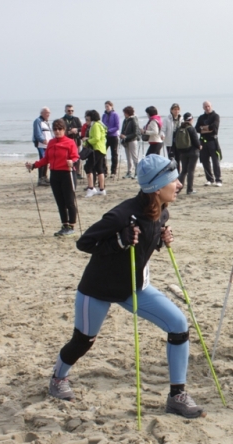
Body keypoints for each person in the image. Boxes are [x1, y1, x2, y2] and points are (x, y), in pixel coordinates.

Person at [47, 154, 204, 418]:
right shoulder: (121, 215)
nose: (178, 184)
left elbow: (143, 243)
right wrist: (119, 241)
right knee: (84, 340)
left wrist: (160, 240)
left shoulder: (161, 211)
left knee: (178, 325)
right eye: (173, 180)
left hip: (134, 288)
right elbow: (84, 243)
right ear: (156, 187)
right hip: (99, 288)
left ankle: (177, 396)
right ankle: (58, 378)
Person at [26, 119, 80, 236]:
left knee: (69, 202)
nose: (57, 131)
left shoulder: (70, 142)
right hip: (55, 175)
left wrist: (72, 162)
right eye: (55, 129)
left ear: (64, 130)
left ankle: (71, 225)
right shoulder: (51, 143)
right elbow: (46, 159)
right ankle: (64, 225)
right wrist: (34, 165)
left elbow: (76, 157)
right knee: (60, 202)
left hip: (68, 174)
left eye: (59, 129)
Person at [82, 110, 107, 197]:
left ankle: (91, 188)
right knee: (99, 168)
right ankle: (101, 189)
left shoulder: (95, 125)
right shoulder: (99, 124)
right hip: (101, 149)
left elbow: (96, 138)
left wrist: (87, 140)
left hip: (97, 149)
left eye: (87, 117)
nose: (86, 119)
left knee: (88, 167)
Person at [196, 101, 222, 186]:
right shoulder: (201, 117)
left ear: (211, 106)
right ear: (203, 107)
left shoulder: (216, 116)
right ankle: (209, 179)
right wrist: (206, 129)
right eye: (205, 106)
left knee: (215, 161)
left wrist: (204, 128)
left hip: (212, 141)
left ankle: (218, 180)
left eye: (208, 106)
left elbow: (214, 128)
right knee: (205, 161)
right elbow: (197, 129)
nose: (207, 108)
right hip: (203, 141)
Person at [175, 112, 200, 194]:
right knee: (191, 171)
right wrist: (200, 146)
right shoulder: (191, 128)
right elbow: (196, 142)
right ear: (191, 119)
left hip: (182, 152)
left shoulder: (179, 128)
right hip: (193, 152)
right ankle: (190, 189)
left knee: (183, 171)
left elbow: (176, 141)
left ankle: (178, 189)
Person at [61, 105, 83, 179]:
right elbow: (60, 130)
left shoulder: (76, 119)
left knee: (77, 156)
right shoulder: (62, 120)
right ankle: (67, 171)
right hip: (66, 141)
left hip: (76, 140)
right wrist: (69, 132)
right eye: (69, 111)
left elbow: (81, 128)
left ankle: (77, 172)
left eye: (72, 111)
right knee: (67, 156)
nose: (70, 112)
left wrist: (76, 129)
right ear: (65, 111)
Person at [32, 107, 52, 186]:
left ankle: (44, 177)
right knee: (43, 160)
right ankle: (41, 179)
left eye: (49, 113)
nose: (48, 114)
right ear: (42, 113)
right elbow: (37, 133)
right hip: (41, 145)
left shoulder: (46, 122)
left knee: (46, 160)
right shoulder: (38, 121)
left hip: (47, 145)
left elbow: (50, 134)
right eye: (47, 113)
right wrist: (43, 140)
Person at [120, 106, 141, 179]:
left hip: (132, 140)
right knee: (128, 157)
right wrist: (122, 135)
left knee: (134, 157)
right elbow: (123, 129)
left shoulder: (134, 120)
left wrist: (126, 136)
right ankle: (129, 172)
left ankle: (137, 172)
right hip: (126, 141)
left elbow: (135, 133)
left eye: (125, 113)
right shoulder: (125, 120)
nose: (124, 114)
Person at [103, 101, 121, 178]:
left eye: (108, 106)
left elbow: (117, 127)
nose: (106, 108)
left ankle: (113, 171)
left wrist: (109, 130)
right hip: (105, 136)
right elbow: (102, 125)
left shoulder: (115, 115)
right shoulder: (104, 115)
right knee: (102, 153)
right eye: (105, 106)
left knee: (114, 154)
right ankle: (104, 171)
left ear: (111, 106)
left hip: (113, 136)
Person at [163, 103, 182, 172]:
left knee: (178, 158)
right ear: (171, 110)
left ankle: (178, 173)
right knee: (171, 158)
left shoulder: (181, 118)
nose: (176, 111)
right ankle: (172, 173)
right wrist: (162, 135)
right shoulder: (167, 119)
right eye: (174, 109)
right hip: (170, 141)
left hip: (179, 142)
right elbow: (163, 130)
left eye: (177, 109)